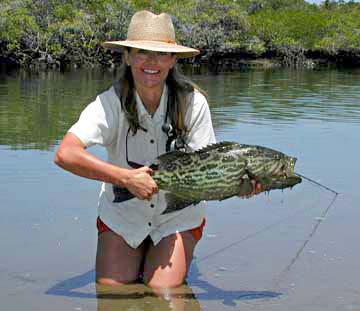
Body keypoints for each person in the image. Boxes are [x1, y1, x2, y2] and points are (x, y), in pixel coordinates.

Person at [54, 10, 216, 289]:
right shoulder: (109, 103)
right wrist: (125, 179)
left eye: (161, 54)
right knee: (111, 291)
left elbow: (211, 169)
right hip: (123, 214)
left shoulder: (194, 103)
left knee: (164, 292)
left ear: (172, 60)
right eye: (141, 52)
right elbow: (65, 154)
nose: (151, 62)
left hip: (177, 214)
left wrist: (239, 184)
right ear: (127, 57)